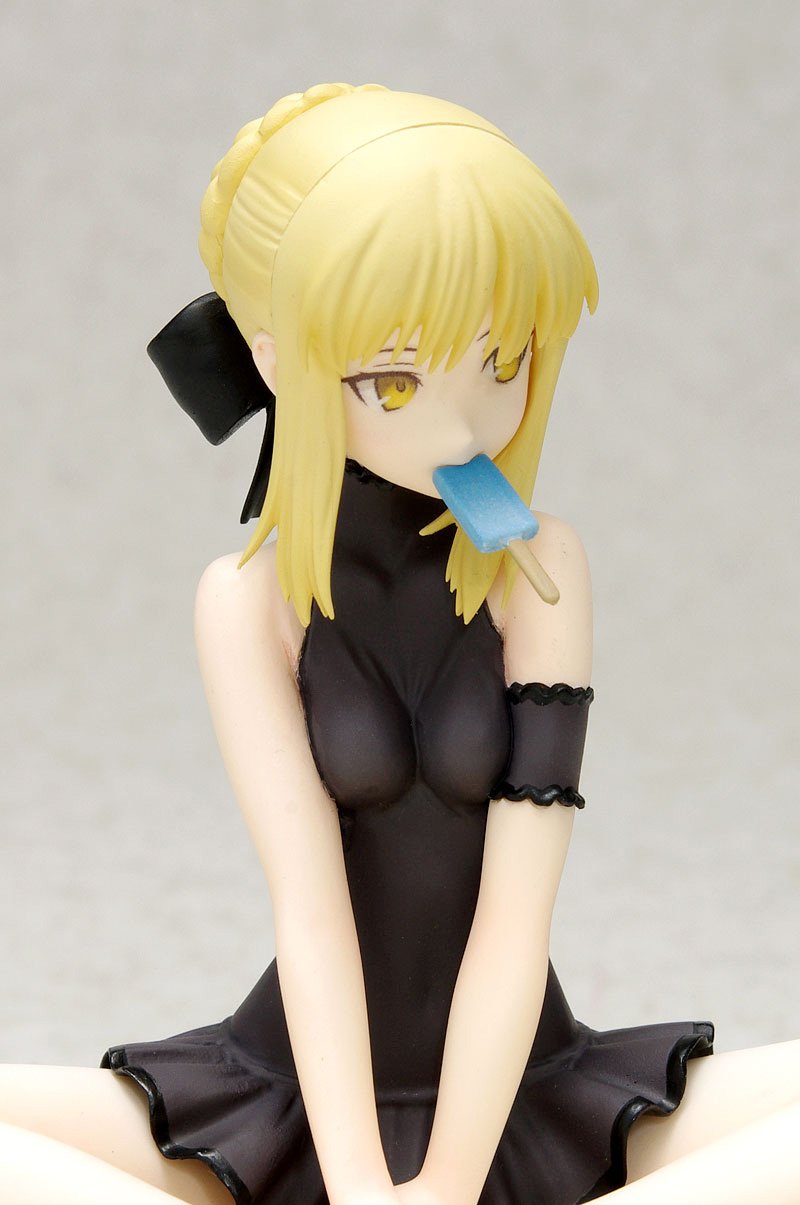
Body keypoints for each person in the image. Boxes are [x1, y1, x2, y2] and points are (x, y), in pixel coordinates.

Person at [1, 82, 798, 1205]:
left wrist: (448, 1184)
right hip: (294, 1089)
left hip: (521, 1084)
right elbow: (310, 910)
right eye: (392, 379)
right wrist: (366, 1188)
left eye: (505, 361)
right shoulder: (247, 600)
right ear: (275, 360)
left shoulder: (538, 571)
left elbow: (516, 916)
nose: (463, 424)